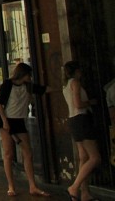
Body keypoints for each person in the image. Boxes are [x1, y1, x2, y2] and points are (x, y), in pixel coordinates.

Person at [0, 62, 49, 197]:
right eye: (28, 75)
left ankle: (32, 185)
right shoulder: (7, 85)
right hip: (7, 122)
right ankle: (11, 186)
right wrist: (4, 122)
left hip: (20, 121)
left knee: (28, 153)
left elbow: (44, 89)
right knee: (8, 153)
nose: (30, 77)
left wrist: (64, 88)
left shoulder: (28, 86)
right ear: (23, 74)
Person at [64, 61, 101, 201]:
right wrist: (91, 102)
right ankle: (74, 187)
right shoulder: (75, 83)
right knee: (95, 157)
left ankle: (85, 194)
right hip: (81, 120)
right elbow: (78, 104)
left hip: (73, 121)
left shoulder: (66, 85)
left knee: (83, 157)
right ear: (77, 71)